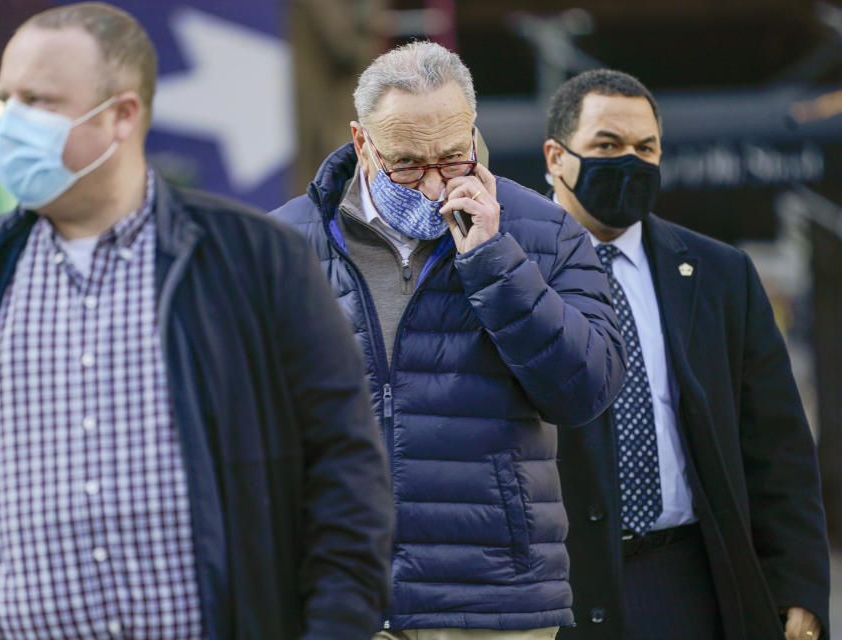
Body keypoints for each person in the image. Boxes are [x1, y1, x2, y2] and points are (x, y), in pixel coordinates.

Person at [0, 4, 393, 639]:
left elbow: (346, 476)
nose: (9, 124)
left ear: (122, 115)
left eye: (38, 101)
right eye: (6, 97)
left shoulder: (256, 263)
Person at [271, 41, 626, 639]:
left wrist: (495, 263)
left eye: (454, 158)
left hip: (492, 601)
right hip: (330, 599)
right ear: (362, 143)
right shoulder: (283, 243)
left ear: (472, 132)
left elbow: (585, 390)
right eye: (407, 164)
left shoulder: (544, 231)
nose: (434, 185)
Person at [543, 69, 830, 640]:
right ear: (556, 157)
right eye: (607, 145)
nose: (629, 162)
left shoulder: (721, 274)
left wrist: (797, 586)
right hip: (554, 583)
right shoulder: (505, 271)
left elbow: (776, 444)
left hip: (685, 578)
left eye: (645, 148)